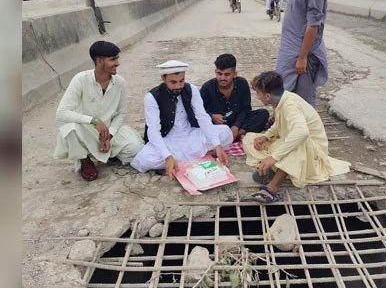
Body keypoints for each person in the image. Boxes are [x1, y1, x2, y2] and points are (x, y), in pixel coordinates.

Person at [243, 71, 350, 203]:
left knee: (297, 144)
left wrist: (273, 157)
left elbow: (302, 133)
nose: (258, 97)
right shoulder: (281, 100)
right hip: (292, 140)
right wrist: (265, 136)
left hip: (312, 151)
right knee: (249, 138)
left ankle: (272, 188)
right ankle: (276, 169)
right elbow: (279, 124)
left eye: (258, 93)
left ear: (267, 95)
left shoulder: (290, 105)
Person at [54, 41, 144, 181]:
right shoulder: (80, 79)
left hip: (109, 130)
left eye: (117, 58)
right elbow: (61, 113)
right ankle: (85, 160)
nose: (118, 63)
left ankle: (106, 152)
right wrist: (94, 121)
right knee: (69, 128)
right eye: (113, 59)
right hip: (87, 130)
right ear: (99, 61)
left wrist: (110, 135)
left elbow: (121, 113)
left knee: (136, 149)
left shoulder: (120, 82)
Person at [131, 60, 233, 178]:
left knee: (226, 132)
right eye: (173, 82)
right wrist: (167, 156)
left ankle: (178, 161)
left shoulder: (191, 89)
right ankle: (187, 158)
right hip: (167, 140)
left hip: (190, 135)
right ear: (163, 78)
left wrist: (216, 145)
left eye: (181, 81)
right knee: (144, 159)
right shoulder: (152, 97)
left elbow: (202, 117)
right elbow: (153, 131)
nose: (179, 86)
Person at [275, 0, 329, 106]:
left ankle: (308, 134)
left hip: (302, 58)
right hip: (291, 53)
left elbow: (313, 25)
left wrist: (302, 57)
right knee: (286, 101)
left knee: (304, 105)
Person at [200, 54, 270, 141]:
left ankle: (234, 135)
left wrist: (236, 126)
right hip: (217, 125)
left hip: (238, 122)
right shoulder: (207, 88)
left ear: (235, 74)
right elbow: (199, 112)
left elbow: (246, 108)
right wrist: (212, 116)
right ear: (215, 72)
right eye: (219, 74)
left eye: (227, 74)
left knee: (263, 114)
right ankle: (234, 136)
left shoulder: (242, 83)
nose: (222, 78)